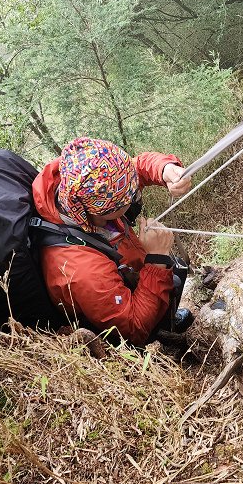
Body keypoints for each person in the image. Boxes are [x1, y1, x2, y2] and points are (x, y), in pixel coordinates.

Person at [31, 137, 194, 346]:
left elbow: (136, 168)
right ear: (104, 210)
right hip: (117, 318)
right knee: (173, 279)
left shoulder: (85, 183)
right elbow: (133, 328)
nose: (135, 193)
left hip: (125, 273)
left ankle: (165, 316)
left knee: (173, 280)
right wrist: (156, 259)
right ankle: (161, 327)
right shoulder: (83, 271)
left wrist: (165, 169)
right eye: (130, 196)